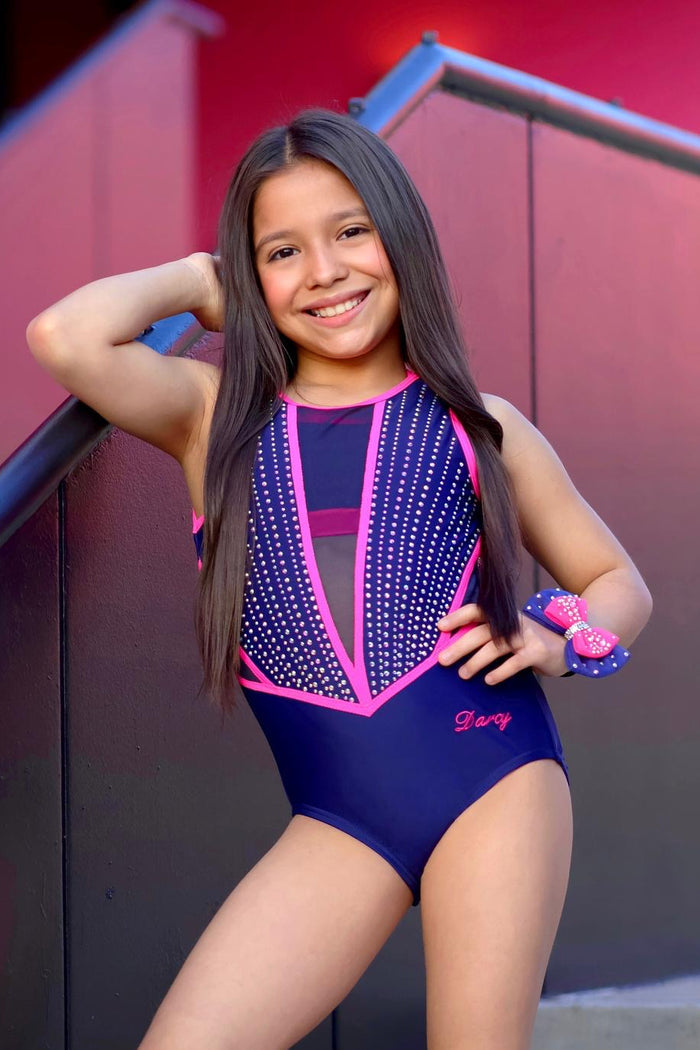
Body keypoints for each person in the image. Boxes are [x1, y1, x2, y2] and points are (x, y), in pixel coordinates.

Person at [26, 108, 652, 1050]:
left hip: (495, 778)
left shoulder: (482, 427)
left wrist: (557, 638)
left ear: (401, 237)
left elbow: (616, 581)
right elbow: (66, 336)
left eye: (352, 231)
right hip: (339, 818)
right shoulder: (212, 418)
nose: (324, 271)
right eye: (282, 252)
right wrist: (202, 280)